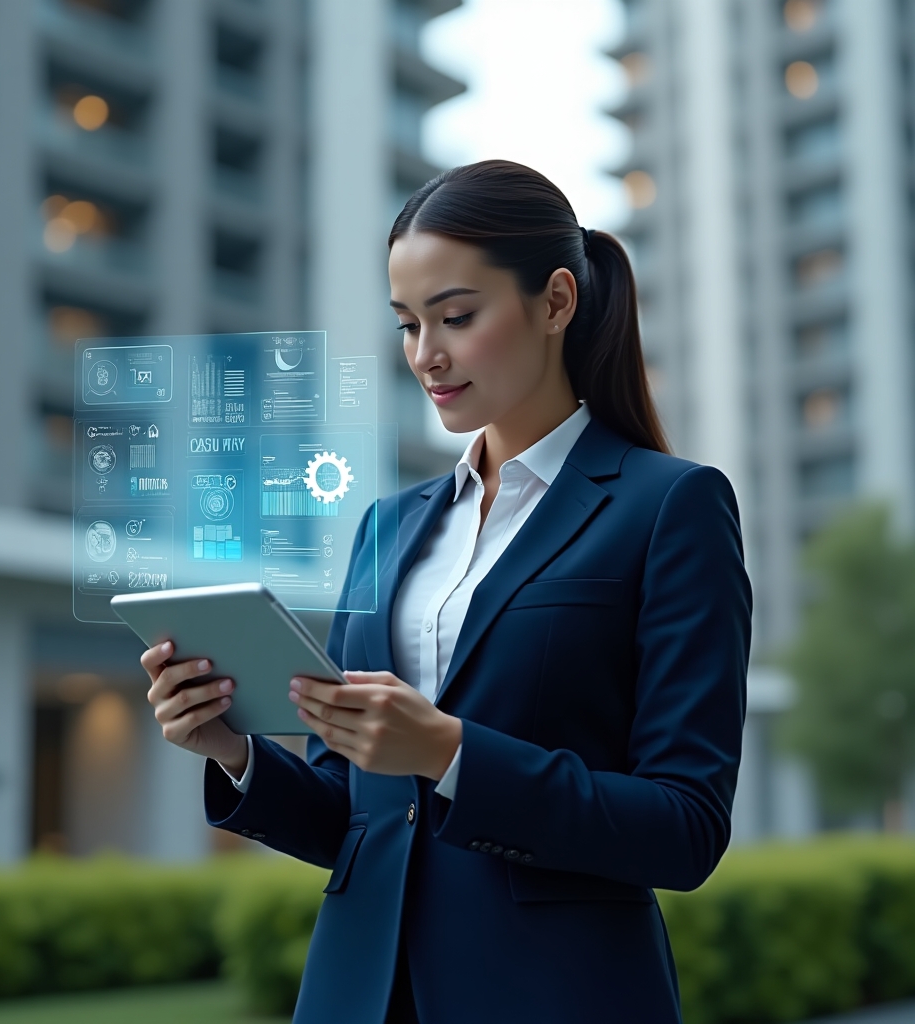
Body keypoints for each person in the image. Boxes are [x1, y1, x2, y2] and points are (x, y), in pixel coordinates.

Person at [140, 160, 752, 1024]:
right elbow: (356, 818)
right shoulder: (387, 526)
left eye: (456, 317)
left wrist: (451, 753)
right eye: (407, 323)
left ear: (556, 302)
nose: (426, 354)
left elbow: (684, 827)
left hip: (555, 997)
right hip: (359, 994)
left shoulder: (670, 506)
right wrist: (234, 752)